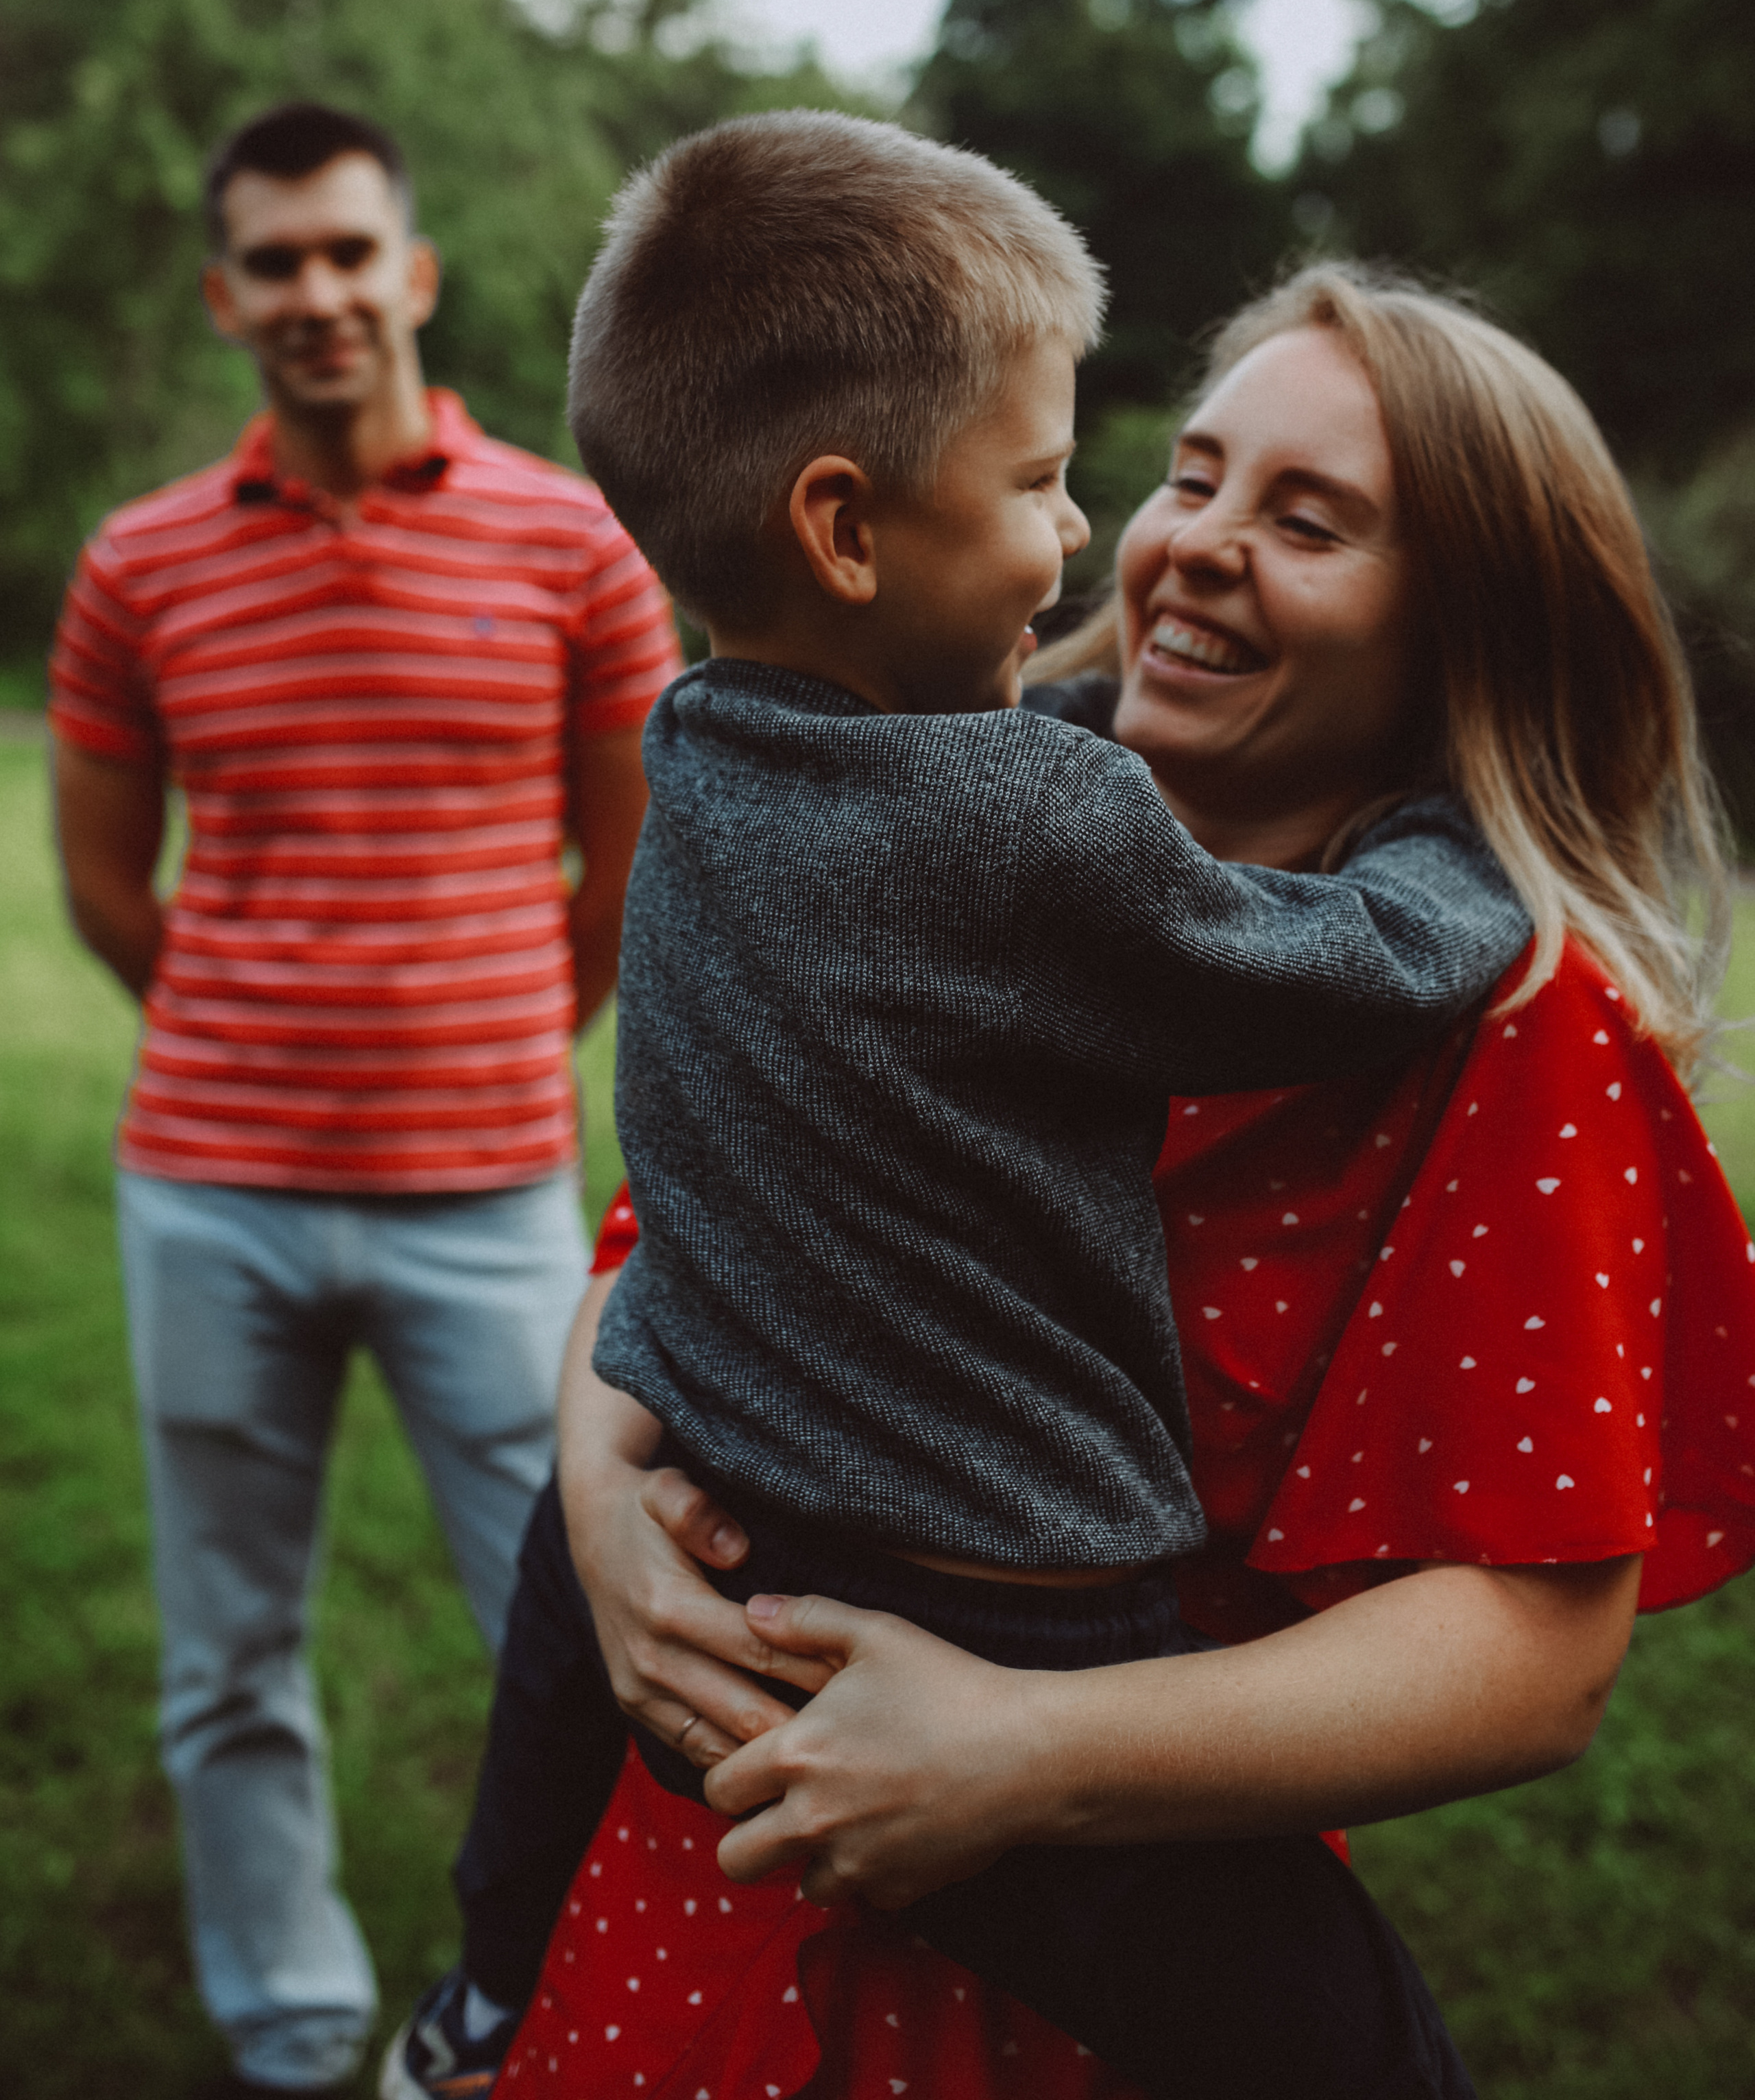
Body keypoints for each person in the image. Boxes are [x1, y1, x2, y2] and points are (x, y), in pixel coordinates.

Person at [495, 262, 1755, 2100]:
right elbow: (670, 1239)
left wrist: (1021, 1747)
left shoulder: (1513, 1020)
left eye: (1308, 520)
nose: (1195, 543)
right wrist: (603, 1507)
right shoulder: (922, 818)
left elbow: (1531, 1652)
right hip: (701, 1894)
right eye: (1193, 476)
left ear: (1464, 632)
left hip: (1090, 1955)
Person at [47, 101, 681, 2097]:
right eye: (273, 261)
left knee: (579, 1614)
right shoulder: (138, 564)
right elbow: (98, 879)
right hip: (209, 1195)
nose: (315, 293)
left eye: (347, 252)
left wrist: (489, 1037)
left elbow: (628, 870)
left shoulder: (576, 538)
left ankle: (559, 2002)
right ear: (226, 293)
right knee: (230, 1645)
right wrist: (248, 1022)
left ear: (411, 273)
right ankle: (288, 2021)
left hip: (488, 1191)